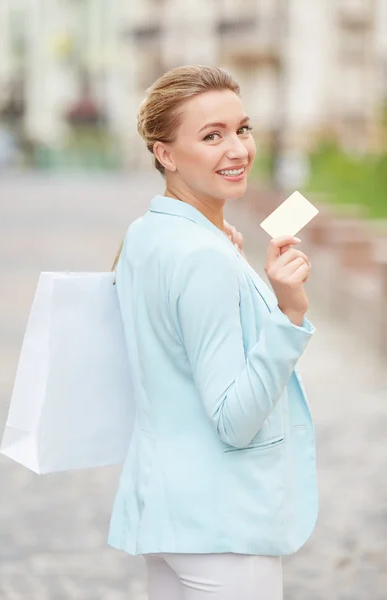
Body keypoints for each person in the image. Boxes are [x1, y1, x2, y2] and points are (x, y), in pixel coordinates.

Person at [108, 65, 318, 600]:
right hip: (222, 528)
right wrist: (287, 315)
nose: (238, 149)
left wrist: (226, 258)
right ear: (165, 154)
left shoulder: (148, 233)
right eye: (211, 135)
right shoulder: (203, 255)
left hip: (167, 510)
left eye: (242, 129)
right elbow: (234, 419)